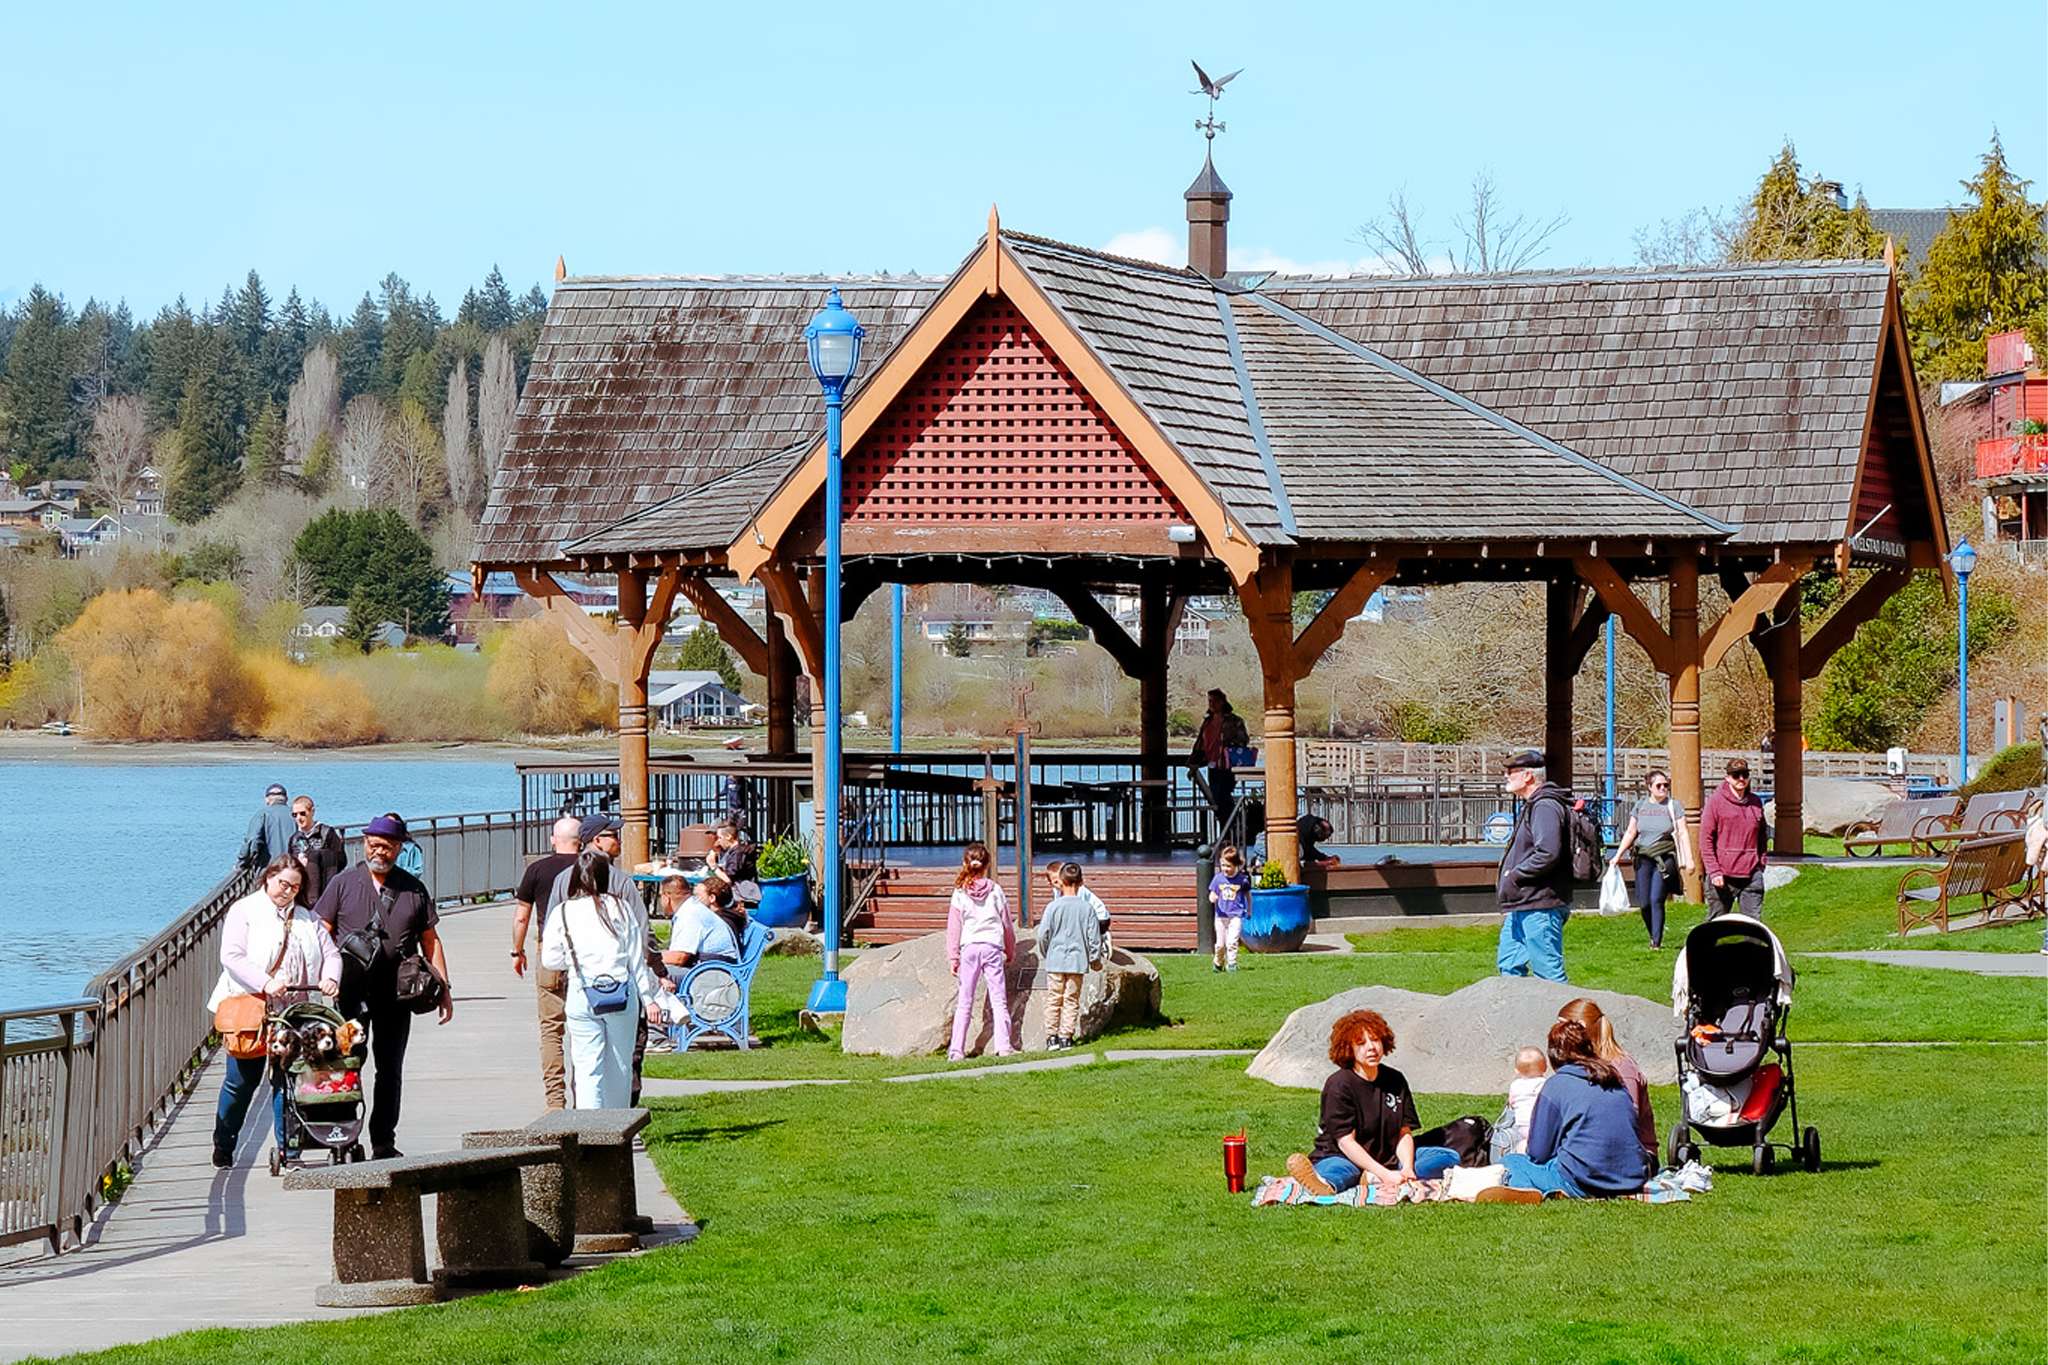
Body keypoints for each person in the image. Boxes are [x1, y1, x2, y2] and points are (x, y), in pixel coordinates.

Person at [312, 813, 453, 1160]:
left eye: (388, 846)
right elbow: (320, 933)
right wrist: (322, 977)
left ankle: (383, 1141)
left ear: (399, 848)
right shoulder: (343, 884)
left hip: (398, 996)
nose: (381, 852)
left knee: (390, 1070)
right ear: (364, 845)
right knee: (348, 1064)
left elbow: (430, 941)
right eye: (375, 845)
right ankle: (345, 1135)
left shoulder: (413, 888)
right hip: (350, 995)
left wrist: (444, 988)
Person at [207, 857, 342, 1169]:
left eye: (296, 887)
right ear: (268, 878)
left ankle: (289, 1150)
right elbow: (231, 955)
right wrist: (266, 982)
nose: (289, 892)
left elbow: (331, 953)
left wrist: (331, 978)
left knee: (289, 1081)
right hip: (253, 1010)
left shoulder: (308, 918)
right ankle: (224, 1143)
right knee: (241, 1083)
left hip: (295, 1013)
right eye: (284, 884)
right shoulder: (245, 910)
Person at [1285, 1009, 1462, 1196]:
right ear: (1348, 1049)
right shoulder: (1339, 1085)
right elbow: (1346, 1143)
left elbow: (1404, 1132)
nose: (1371, 1047)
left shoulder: (1395, 1079)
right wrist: (1384, 1174)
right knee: (1340, 1171)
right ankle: (1327, 1183)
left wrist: (1408, 1168)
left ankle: (1379, 1178)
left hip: (1390, 1157)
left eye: (1375, 1040)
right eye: (1361, 1043)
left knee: (1449, 1156)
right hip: (1344, 1157)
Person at [540, 848, 665, 1109]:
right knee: (620, 1068)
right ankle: (617, 1132)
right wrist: (649, 998)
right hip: (622, 993)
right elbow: (636, 957)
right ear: (606, 877)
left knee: (587, 1069)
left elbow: (550, 960)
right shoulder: (621, 907)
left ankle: (590, 1133)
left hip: (582, 992)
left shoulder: (563, 911)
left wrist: (574, 961)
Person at [1497, 1018, 1649, 1199]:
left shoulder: (1557, 1085)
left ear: (1553, 1056)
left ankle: (1527, 1188)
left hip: (1587, 1180)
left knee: (1510, 1162)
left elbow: (1538, 1153)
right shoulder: (1614, 1079)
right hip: (1631, 1177)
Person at [511, 815, 583, 1110]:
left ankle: (555, 1101)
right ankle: (585, 1098)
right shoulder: (590, 868)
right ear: (581, 842)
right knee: (584, 1029)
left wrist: (517, 952)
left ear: (553, 840)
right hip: (584, 957)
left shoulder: (537, 870)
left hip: (549, 955)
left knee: (551, 1030)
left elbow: (521, 917)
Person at [1496, 750, 1572, 982]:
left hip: (1541, 906)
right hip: (1525, 903)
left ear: (1528, 776)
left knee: (1549, 974)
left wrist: (1515, 874)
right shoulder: (1533, 805)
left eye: (1511, 772)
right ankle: (1516, 1016)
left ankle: (1566, 1018)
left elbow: (1548, 852)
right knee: (1509, 964)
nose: (1506, 777)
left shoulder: (1545, 806)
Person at [1556, 997, 1658, 1161]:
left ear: (1580, 1027)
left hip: (1632, 1157)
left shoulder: (1622, 1067)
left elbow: (1627, 1119)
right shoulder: (1579, 1065)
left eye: (1562, 1026)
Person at [1607, 769, 1695, 949]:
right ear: (1649, 787)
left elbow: (1683, 833)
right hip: (1643, 857)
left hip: (1664, 858)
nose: (1663, 788)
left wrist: (1689, 859)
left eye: (1666, 785)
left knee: (1656, 899)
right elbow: (1631, 831)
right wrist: (1617, 856)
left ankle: (1656, 942)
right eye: (1659, 785)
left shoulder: (1674, 805)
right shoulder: (1640, 805)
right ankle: (1651, 934)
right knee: (1645, 903)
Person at [945, 842, 1016, 1060]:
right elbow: (1006, 924)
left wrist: (953, 957)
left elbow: (954, 928)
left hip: (969, 948)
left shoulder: (960, 892)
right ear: (987, 865)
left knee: (965, 1000)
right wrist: (1010, 950)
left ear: (964, 863)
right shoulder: (996, 890)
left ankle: (956, 1050)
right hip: (992, 946)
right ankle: (1003, 1046)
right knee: (998, 999)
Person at [1037, 862, 1104, 1052]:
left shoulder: (1052, 907)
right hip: (1077, 961)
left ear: (1061, 881)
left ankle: (1051, 1037)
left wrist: (1046, 952)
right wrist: (1095, 960)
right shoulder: (1087, 909)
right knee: (1071, 1000)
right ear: (1081, 882)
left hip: (1055, 960)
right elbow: (1093, 939)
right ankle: (1066, 1036)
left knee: (1054, 998)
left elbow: (1043, 934)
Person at [1699, 758, 1767, 919]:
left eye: (1744, 775)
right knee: (1716, 925)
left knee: (1753, 926)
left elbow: (1762, 836)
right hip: (1723, 877)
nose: (1741, 779)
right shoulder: (1715, 802)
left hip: (1751, 875)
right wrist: (1714, 871)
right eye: (1736, 775)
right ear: (1728, 777)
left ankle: (1750, 946)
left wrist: (1761, 864)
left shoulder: (1755, 802)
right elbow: (1705, 840)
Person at [1189, 689, 1250, 829]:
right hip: (1212, 765)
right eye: (1210, 701)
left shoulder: (1234, 721)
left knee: (1222, 796)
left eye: (1215, 701)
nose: (1212, 704)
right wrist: (1193, 765)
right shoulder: (1207, 723)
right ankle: (1227, 829)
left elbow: (1243, 740)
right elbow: (1200, 745)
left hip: (1228, 765)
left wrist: (1228, 748)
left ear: (1223, 702)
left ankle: (1231, 828)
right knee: (1216, 798)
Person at [286, 794, 347, 909]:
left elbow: (341, 861)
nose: (299, 818)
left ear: (312, 812)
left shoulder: (327, 833)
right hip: (302, 894)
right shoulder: (294, 838)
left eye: (302, 813)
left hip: (324, 890)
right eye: (295, 815)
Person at [1046, 860, 1112, 957]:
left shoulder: (1077, 890)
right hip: (1087, 917)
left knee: (1085, 930)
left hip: (1100, 918)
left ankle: (1102, 939)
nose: (1060, 884)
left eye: (1061, 880)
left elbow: (1081, 910)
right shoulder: (1057, 891)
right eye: (1055, 882)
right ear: (1051, 884)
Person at [1208, 844, 1250, 973]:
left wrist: (1249, 910)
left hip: (1236, 914)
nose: (1225, 869)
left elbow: (1248, 895)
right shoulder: (1218, 879)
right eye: (1223, 865)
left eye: (1228, 866)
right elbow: (1212, 894)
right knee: (1220, 944)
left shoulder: (1242, 880)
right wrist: (1213, 898)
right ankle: (1218, 961)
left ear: (1236, 865)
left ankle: (1232, 963)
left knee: (1232, 941)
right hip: (1221, 915)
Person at [1501, 1046, 1548, 1156]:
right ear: (1545, 1068)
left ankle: (1522, 1157)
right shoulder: (1543, 1083)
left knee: (1523, 1143)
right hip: (1538, 1124)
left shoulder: (1515, 1085)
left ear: (1517, 1071)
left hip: (1522, 1124)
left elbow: (1511, 1102)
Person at [240, 782, 296, 872]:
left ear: (266, 799)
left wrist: (242, 863)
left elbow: (253, 840)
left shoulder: (262, 814)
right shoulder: (297, 815)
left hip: (269, 871)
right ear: (286, 799)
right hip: (294, 869)